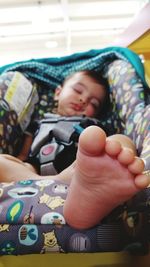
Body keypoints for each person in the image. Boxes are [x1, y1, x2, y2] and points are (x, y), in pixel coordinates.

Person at [0, 70, 149, 230]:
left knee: (120, 141)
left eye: (94, 104)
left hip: (80, 166)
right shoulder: (37, 123)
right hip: (34, 170)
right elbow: (22, 155)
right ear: (58, 92)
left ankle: (93, 186)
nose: (83, 99)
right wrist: (20, 164)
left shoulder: (92, 124)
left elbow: (108, 144)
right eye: (77, 90)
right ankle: (60, 181)